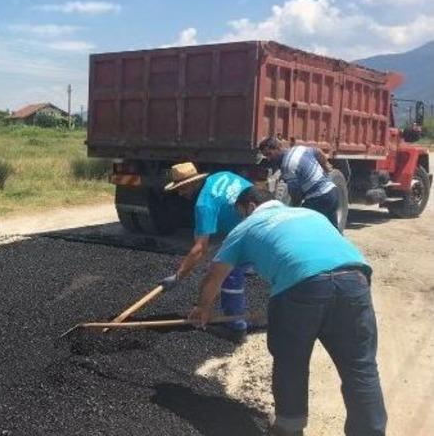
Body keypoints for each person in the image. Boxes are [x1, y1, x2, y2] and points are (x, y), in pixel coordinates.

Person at [189, 187, 386, 436]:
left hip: (300, 286)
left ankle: (289, 429)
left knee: (291, 363)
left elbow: (214, 275)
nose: (242, 218)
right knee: (360, 366)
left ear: (250, 206)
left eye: (241, 213)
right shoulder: (310, 214)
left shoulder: (247, 227)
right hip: (355, 281)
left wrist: (202, 308)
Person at [160, 162, 252, 343]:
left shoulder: (204, 205)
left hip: (252, 227)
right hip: (261, 212)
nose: (180, 193)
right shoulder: (221, 175)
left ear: (193, 183)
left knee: (229, 273)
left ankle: (236, 329)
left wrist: (178, 276)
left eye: (182, 188)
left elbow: (200, 248)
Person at [258, 137, 340, 228]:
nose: (268, 159)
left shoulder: (287, 166)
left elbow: (296, 195)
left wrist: (294, 211)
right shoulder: (299, 149)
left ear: (278, 148)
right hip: (332, 191)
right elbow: (318, 152)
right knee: (333, 230)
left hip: (319, 198)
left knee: (304, 229)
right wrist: (326, 167)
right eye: (266, 156)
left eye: (269, 154)